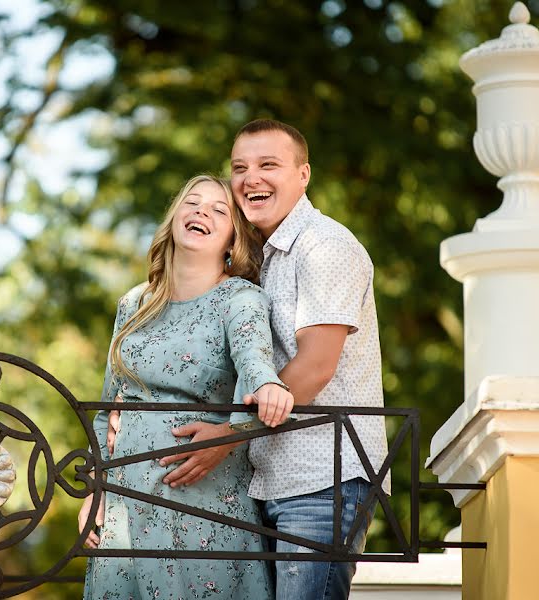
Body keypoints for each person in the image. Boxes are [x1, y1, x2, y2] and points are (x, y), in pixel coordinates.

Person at [160, 120, 390, 600]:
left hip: (323, 480)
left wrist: (227, 437)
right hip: (266, 480)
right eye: (240, 167)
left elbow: (314, 368)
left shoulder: (324, 247)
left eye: (269, 165)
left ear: (303, 175)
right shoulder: (256, 259)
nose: (251, 178)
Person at [78, 174, 294, 600]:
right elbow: (107, 410)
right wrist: (95, 491)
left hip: (201, 494)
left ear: (233, 239)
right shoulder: (133, 303)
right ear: (174, 219)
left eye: (219, 210)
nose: (201, 212)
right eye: (192, 203)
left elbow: (255, 364)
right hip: (126, 499)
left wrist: (268, 386)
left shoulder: (241, 298)